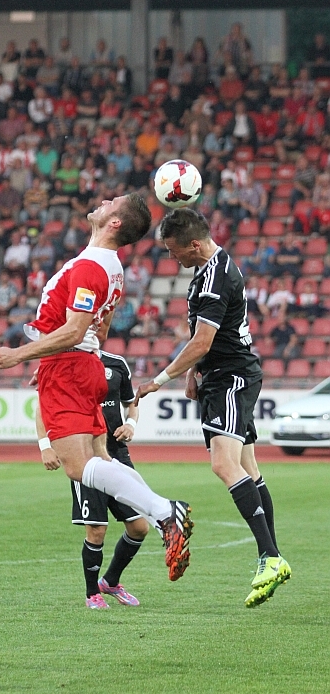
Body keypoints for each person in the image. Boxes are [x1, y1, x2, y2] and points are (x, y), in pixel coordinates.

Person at [0, 194, 193, 583]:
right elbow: (100, 330)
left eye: (112, 202)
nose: (104, 201)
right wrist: (52, 359)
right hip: (82, 364)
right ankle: (162, 515)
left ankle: (164, 511)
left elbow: (76, 330)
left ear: (114, 223)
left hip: (71, 366)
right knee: (101, 458)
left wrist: (19, 355)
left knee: (78, 467)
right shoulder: (112, 268)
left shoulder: (92, 266)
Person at [135, 208, 291, 608]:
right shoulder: (210, 268)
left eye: (174, 251)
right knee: (248, 467)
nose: (172, 258)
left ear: (194, 244)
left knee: (224, 465)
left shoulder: (216, 276)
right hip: (222, 375)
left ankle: (270, 556)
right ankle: (271, 558)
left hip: (231, 377)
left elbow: (203, 340)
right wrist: (194, 372)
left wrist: (160, 380)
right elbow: (205, 336)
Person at [36, 349, 150, 609]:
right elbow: (43, 406)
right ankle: (91, 594)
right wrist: (45, 446)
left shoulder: (117, 363)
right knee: (97, 530)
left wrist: (130, 424)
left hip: (117, 455)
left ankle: (110, 581)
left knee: (139, 527)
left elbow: (131, 402)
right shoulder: (66, 361)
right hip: (84, 457)